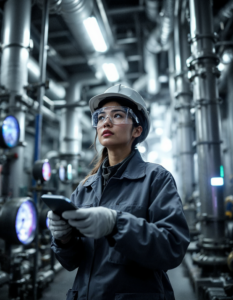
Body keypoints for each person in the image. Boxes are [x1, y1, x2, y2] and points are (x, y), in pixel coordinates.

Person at [48, 84, 190, 300]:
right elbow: (71, 262)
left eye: (117, 115)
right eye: (101, 116)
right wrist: (63, 238)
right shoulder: (85, 188)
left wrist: (117, 224)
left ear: (137, 130)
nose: (106, 122)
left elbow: (172, 248)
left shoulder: (156, 179)